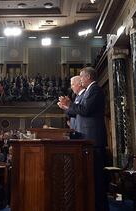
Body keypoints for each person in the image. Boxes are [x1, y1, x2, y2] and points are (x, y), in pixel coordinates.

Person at [57, 66, 109, 211]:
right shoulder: (88, 91)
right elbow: (79, 112)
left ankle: (100, 207)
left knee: (97, 179)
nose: (80, 79)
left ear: (88, 77)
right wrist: (67, 107)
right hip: (87, 140)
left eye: (81, 76)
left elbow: (85, 110)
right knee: (91, 177)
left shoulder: (95, 90)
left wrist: (69, 105)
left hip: (94, 139)